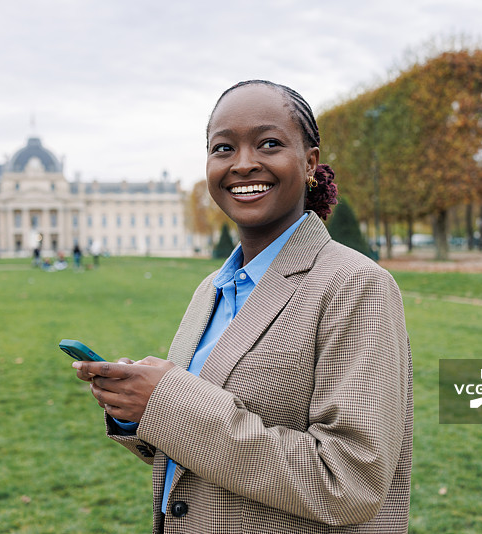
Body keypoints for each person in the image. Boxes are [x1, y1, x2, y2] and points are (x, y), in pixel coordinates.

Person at [73, 80, 413, 533]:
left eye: (269, 143)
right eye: (223, 148)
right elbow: (196, 451)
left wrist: (167, 400)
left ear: (310, 162)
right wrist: (135, 407)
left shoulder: (355, 285)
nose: (243, 163)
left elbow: (349, 481)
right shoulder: (210, 289)